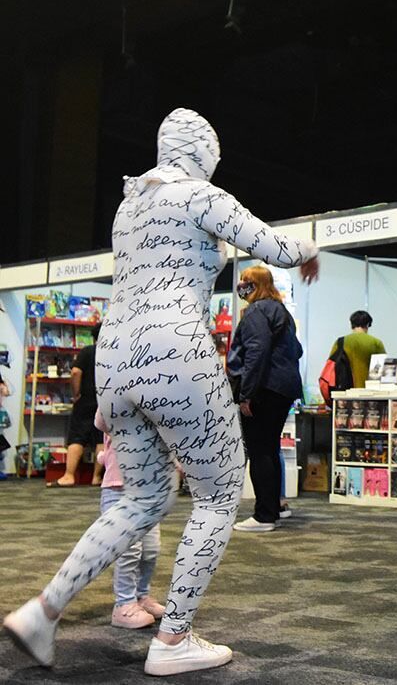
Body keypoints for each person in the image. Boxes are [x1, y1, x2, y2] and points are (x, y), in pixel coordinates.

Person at [3, 108, 319, 676]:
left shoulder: (130, 204)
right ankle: (173, 639)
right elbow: (273, 247)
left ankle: (42, 612)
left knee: (142, 498)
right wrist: (310, 248)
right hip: (174, 351)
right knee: (221, 493)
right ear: (202, 153)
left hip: (116, 356)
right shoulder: (200, 194)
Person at [227, 265, 305, 533]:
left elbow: (255, 353)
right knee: (270, 450)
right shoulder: (281, 311)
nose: (241, 285)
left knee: (260, 451)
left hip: (264, 389)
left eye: (246, 281)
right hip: (283, 389)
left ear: (256, 284)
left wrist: (246, 393)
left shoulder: (256, 312)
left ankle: (264, 515)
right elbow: (297, 349)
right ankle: (274, 507)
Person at [96, 410, 167, 629]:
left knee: (151, 549)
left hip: (148, 490)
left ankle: (141, 596)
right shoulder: (117, 396)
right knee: (129, 550)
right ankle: (123, 604)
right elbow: (102, 421)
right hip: (118, 489)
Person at [50, 324, 105, 487]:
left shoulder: (87, 351)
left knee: (77, 437)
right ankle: (96, 477)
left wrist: (76, 393)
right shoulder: (111, 354)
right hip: (103, 401)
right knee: (100, 438)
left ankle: (69, 476)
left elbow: (75, 372)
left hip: (85, 400)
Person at [333, 311, 385, 390]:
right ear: (367, 324)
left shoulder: (340, 342)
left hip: (344, 392)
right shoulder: (376, 342)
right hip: (369, 391)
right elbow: (382, 368)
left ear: (351, 324)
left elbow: (331, 364)